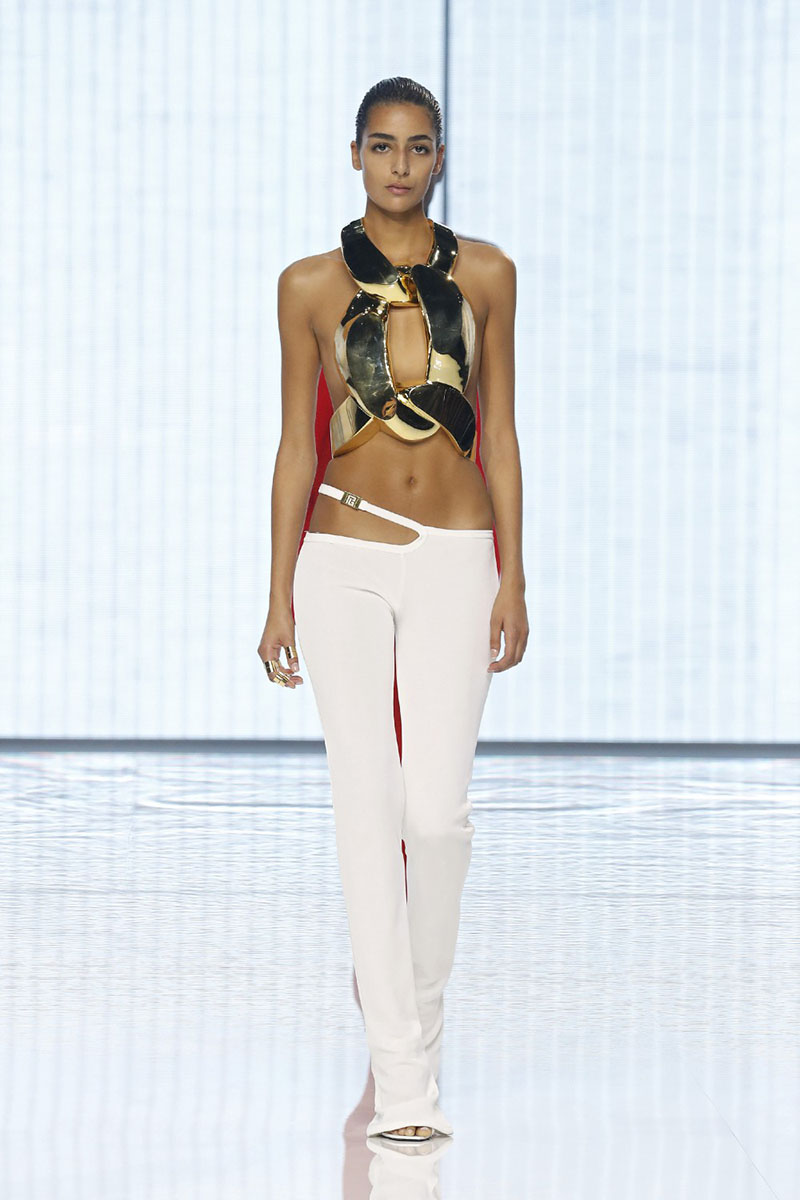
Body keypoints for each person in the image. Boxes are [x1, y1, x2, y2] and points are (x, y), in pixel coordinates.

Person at [257, 76, 528, 1141]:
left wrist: (515, 573)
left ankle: (403, 1006)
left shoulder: (490, 275)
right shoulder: (307, 286)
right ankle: (404, 1087)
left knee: (435, 817)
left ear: (440, 158)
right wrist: (277, 590)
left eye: (418, 147)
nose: (400, 165)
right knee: (366, 809)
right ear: (355, 155)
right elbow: (297, 441)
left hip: (459, 555)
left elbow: (500, 432)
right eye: (382, 145)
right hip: (342, 555)